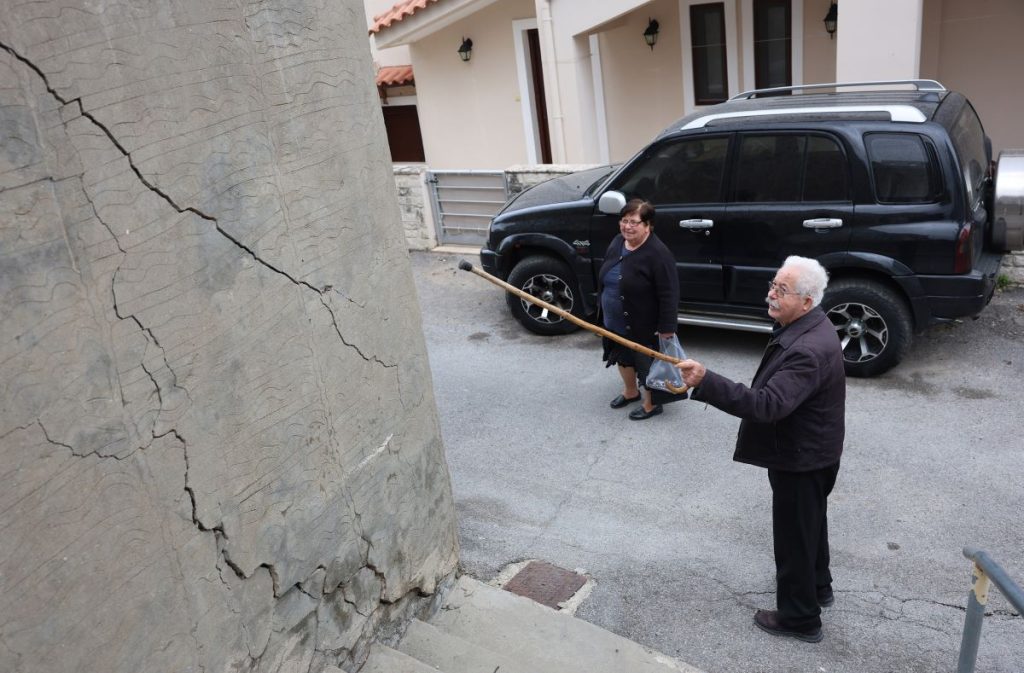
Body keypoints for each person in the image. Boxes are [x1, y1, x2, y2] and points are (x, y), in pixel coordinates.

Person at [675, 256, 845, 643]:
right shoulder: (810, 324)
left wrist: (705, 381)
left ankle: (800, 618)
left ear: (807, 301)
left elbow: (768, 405)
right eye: (773, 284)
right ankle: (819, 587)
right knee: (809, 527)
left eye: (781, 291)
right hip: (814, 451)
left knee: (793, 538)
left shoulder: (808, 349)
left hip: (802, 458)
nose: (771, 294)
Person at [598, 199, 679, 421]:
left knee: (646, 363)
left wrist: (666, 328)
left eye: (634, 222)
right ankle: (630, 392)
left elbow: (669, 294)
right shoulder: (617, 242)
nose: (627, 226)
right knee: (622, 356)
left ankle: (651, 403)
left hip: (644, 322)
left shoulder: (658, 254)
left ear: (648, 225)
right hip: (614, 319)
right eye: (624, 221)